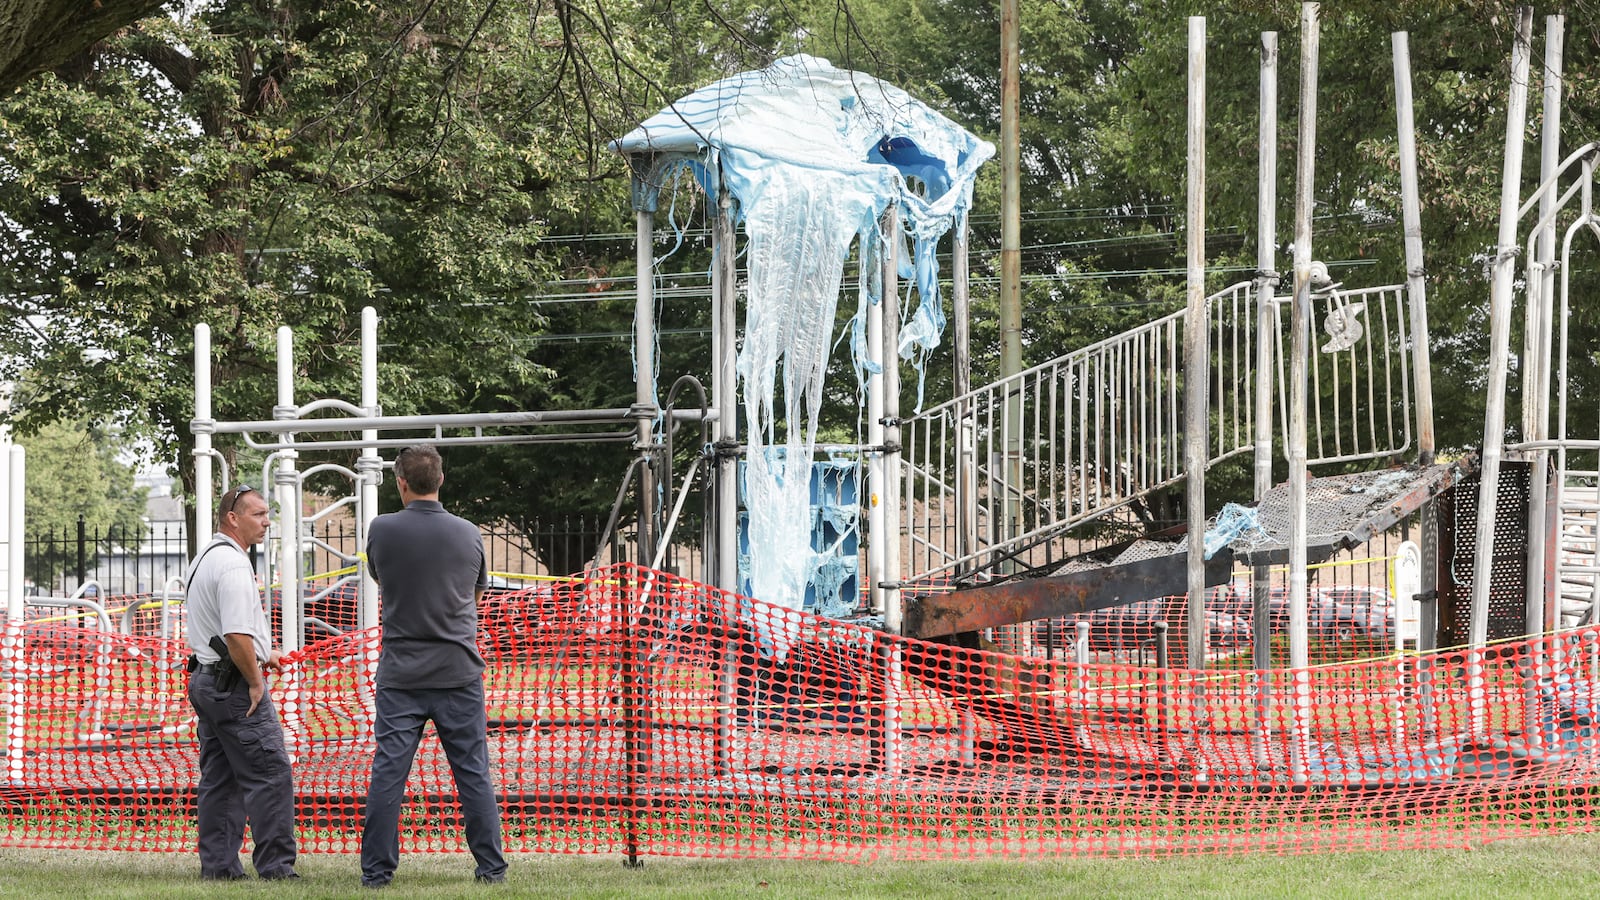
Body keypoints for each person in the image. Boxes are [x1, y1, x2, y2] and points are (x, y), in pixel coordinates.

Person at [360, 444, 507, 888]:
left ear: (400, 483)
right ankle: (491, 869)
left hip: (401, 672)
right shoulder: (468, 533)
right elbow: (475, 595)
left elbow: (380, 579)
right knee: (472, 773)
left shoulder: (381, 530)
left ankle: (376, 873)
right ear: (441, 480)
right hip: (459, 671)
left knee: (388, 773)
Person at [183, 483, 299, 881]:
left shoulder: (207, 557)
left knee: (221, 777)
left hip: (206, 679)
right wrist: (255, 680)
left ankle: (218, 867)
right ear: (233, 518)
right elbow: (234, 634)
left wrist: (265, 653)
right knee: (271, 772)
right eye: (259, 514)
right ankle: (277, 868)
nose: (267, 522)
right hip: (232, 686)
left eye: (268, 514)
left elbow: (224, 630)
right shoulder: (233, 565)